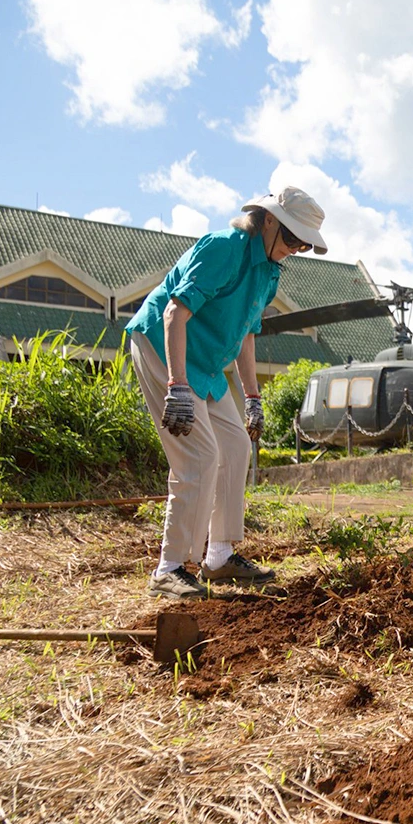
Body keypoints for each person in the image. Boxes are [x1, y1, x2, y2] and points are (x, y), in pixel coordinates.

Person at [125, 187, 329, 598]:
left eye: (303, 244)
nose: (295, 248)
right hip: (163, 348)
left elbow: (246, 336)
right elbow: (173, 314)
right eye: (292, 238)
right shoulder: (223, 248)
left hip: (207, 362)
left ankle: (218, 557)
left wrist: (253, 398)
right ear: (268, 220)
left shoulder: (269, 271)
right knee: (200, 456)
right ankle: (170, 567)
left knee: (236, 446)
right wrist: (177, 387)